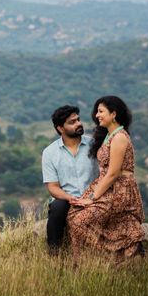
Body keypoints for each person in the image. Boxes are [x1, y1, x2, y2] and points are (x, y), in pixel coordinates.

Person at [67, 95, 145, 264]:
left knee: (80, 221)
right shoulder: (110, 136)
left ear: (114, 114)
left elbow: (113, 173)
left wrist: (92, 199)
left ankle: (115, 255)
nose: (97, 115)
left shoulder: (120, 137)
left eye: (101, 111)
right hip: (107, 185)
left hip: (118, 190)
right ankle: (80, 262)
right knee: (73, 214)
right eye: (97, 111)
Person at [41, 105, 98, 254]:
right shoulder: (50, 153)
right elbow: (52, 187)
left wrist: (93, 196)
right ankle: (54, 254)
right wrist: (70, 198)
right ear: (60, 128)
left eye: (78, 120)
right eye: (72, 122)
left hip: (95, 196)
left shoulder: (94, 145)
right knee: (56, 208)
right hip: (67, 198)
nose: (78, 123)